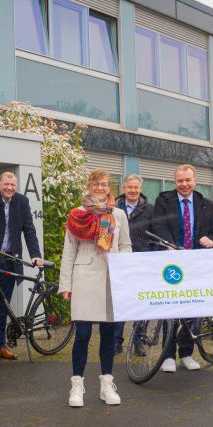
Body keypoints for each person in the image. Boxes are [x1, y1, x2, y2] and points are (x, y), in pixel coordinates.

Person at [58, 168, 131, 407]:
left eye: (104, 184)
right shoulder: (77, 214)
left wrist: (122, 268)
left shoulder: (118, 214)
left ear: (109, 187)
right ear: (89, 186)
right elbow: (69, 251)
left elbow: (126, 245)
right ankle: (77, 385)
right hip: (84, 276)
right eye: (96, 184)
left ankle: (106, 384)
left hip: (111, 278)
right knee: (82, 334)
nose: (100, 188)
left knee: (109, 334)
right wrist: (65, 284)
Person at [150, 164, 213, 373]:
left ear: (194, 181)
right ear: (175, 182)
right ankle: (168, 355)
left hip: (196, 264)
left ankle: (187, 353)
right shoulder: (164, 201)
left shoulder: (205, 204)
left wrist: (211, 241)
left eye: (188, 180)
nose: (184, 184)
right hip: (172, 262)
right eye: (180, 181)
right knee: (170, 309)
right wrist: (169, 245)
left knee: (193, 310)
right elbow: (158, 226)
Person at [0, 172, 44, 363]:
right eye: (6, 184)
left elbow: (29, 230)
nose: (9, 188)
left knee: (4, 304)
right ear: (0, 185)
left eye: (13, 185)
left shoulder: (21, 202)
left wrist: (35, 255)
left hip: (11, 259)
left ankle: (0, 346)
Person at [113, 174, 154, 355]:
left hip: (142, 260)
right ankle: (116, 341)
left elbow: (155, 233)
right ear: (124, 188)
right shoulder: (113, 208)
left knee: (140, 303)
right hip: (120, 260)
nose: (133, 191)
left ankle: (138, 340)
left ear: (140, 189)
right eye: (130, 187)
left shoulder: (150, 209)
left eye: (136, 188)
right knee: (120, 302)